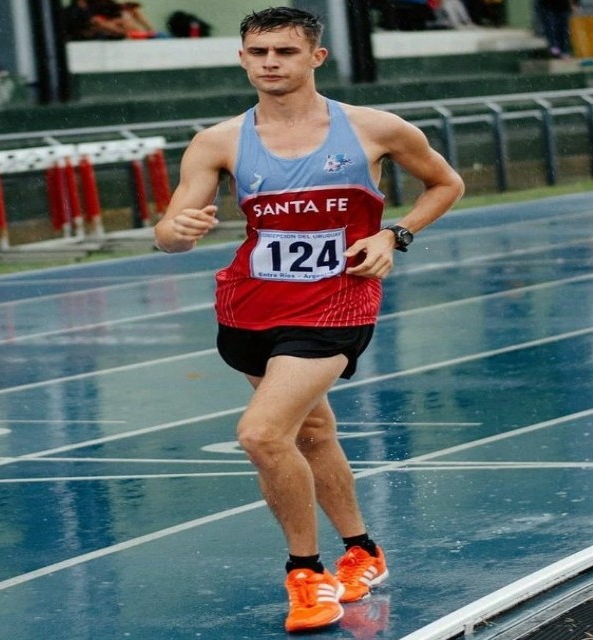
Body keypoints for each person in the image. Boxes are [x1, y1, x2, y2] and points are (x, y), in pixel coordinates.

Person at [152, 6, 464, 634]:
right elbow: (169, 232)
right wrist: (176, 231)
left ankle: (306, 573)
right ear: (242, 59)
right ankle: (364, 550)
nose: (270, 63)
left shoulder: (374, 128)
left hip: (336, 301)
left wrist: (393, 235)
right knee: (312, 434)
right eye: (259, 52)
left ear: (315, 58)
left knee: (264, 435)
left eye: (285, 52)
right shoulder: (218, 141)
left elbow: (445, 183)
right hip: (250, 306)